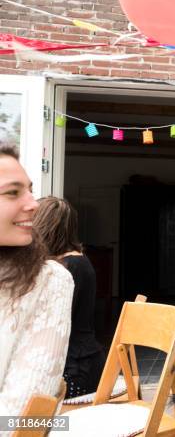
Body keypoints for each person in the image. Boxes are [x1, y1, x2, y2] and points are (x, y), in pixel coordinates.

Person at [0, 143, 74, 416]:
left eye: (30, 189)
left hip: (77, 372)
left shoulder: (52, 279)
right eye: (12, 193)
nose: (33, 204)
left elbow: (23, 421)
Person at [33, 196, 106, 399]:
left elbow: (49, 323)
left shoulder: (70, 267)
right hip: (74, 360)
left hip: (75, 368)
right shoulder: (67, 262)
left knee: (17, 421)